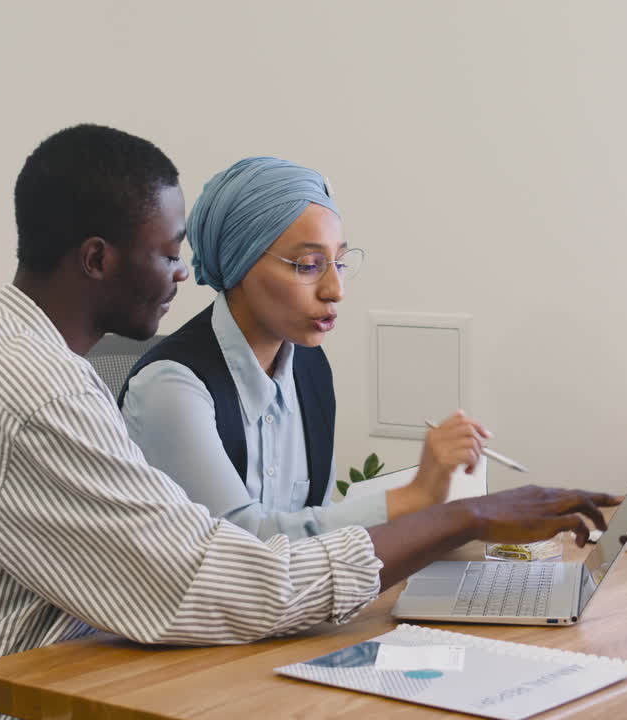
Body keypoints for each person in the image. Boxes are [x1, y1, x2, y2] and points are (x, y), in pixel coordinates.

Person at [0, 124, 621, 720]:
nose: (185, 273)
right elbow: (223, 577)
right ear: (98, 258)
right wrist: (461, 516)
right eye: (168, 251)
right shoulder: (36, 398)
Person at [121, 156, 483, 540]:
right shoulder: (170, 388)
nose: (336, 290)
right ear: (239, 263)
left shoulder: (310, 367)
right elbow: (242, 543)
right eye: (308, 265)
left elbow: (315, 523)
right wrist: (415, 496)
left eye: (339, 263)